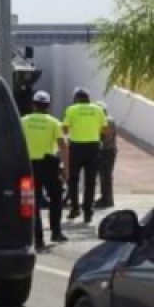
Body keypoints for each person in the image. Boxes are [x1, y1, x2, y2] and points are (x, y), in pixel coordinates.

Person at [21, 91, 69, 250]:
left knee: (31, 202)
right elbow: (63, 147)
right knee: (56, 198)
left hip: (28, 166)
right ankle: (56, 231)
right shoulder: (54, 122)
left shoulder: (23, 121)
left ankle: (38, 238)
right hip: (49, 166)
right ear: (48, 106)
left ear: (33, 105)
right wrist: (66, 168)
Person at [62, 87, 106, 224]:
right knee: (90, 181)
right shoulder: (98, 110)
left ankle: (75, 208)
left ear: (76, 99)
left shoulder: (71, 109)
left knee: (73, 179)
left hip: (76, 147)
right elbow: (104, 129)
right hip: (93, 147)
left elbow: (65, 128)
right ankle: (88, 211)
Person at [94, 101, 117, 210]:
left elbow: (105, 136)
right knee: (103, 175)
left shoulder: (107, 120)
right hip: (105, 150)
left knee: (106, 176)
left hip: (107, 151)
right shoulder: (103, 120)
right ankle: (105, 197)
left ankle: (107, 200)